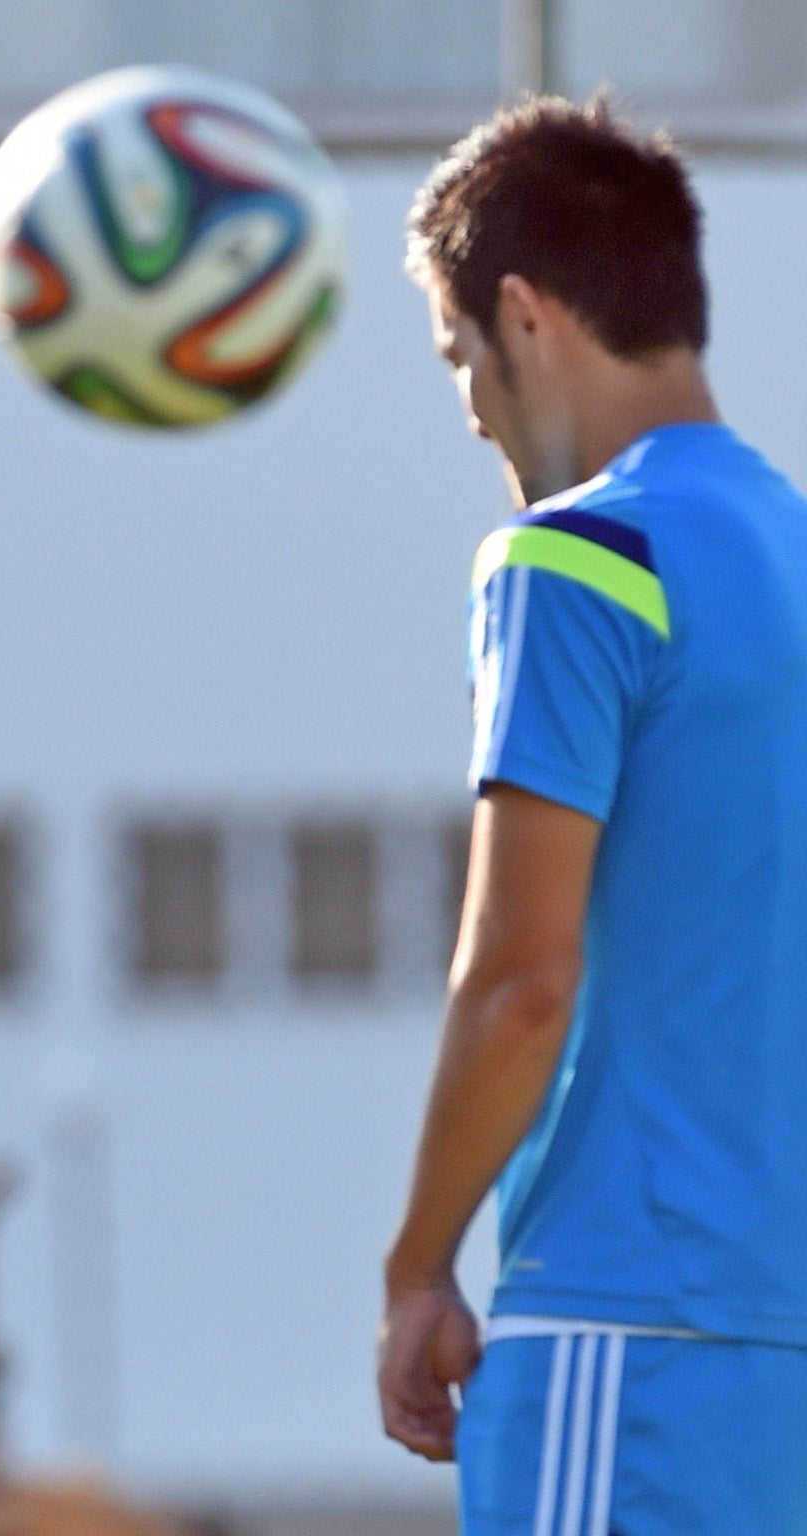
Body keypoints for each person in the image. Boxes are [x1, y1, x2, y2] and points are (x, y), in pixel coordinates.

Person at [379, 96, 807, 1531]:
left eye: (457, 358)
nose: (471, 406)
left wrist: (417, 1268)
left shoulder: (577, 560)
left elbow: (520, 980)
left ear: (522, 317)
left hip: (630, 1332)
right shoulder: (790, 555)